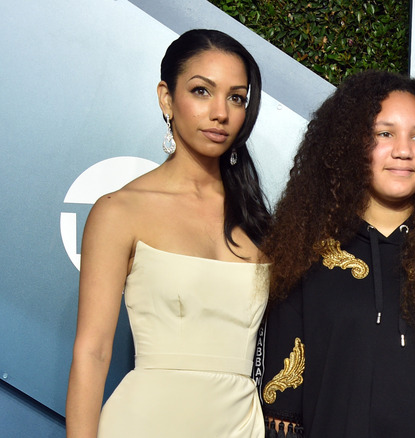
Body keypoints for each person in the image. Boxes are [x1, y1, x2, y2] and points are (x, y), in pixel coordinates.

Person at [259, 70, 415, 437]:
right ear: (351, 142)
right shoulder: (303, 254)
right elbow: (283, 406)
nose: (403, 150)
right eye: (384, 133)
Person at [65, 29, 272, 438]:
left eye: (237, 97)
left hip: (240, 425)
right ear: (166, 98)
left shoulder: (260, 223)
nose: (220, 113)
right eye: (201, 91)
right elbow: (92, 352)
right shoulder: (119, 211)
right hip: (145, 423)